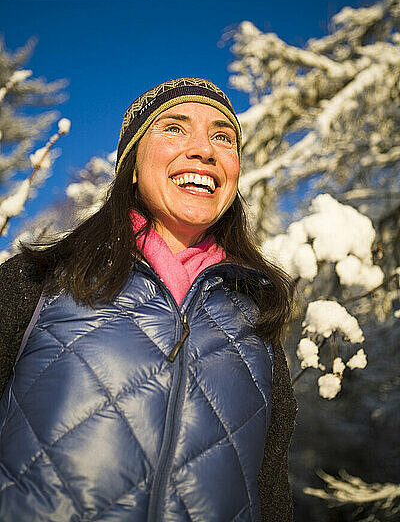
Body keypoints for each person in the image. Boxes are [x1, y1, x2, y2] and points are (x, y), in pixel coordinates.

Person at [0, 77, 298, 522]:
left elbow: (271, 496)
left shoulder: (256, 323)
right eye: (175, 128)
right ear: (132, 165)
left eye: (223, 136)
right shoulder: (35, 284)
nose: (205, 149)